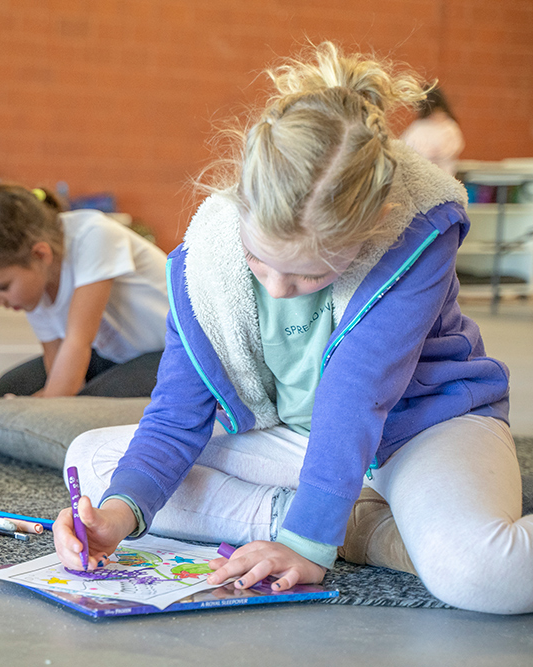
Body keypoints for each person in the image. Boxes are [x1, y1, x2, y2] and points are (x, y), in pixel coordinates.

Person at [52, 43, 533, 615]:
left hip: (424, 431)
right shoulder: (205, 260)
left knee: (483, 576)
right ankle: (362, 527)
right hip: (300, 445)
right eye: (260, 261)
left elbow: (356, 394)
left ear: (373, 227)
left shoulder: (413, 235)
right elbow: (177, 413)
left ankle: (331, 522)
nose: (277, 288)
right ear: (241, 208)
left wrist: (305, 546)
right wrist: (115, 517)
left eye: (310, 274)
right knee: (93, 461)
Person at [0, 184, 169, 398]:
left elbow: (77, 344)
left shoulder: (94, 235)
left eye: (1, 288)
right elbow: (56, 370)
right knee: (12, 386)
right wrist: (12, 408)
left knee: (95, 399)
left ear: (40, 255)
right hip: (121, 356)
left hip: (177, 352)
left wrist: (19, 412)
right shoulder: (36, 279)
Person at [400, 84, 464, 175]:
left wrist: (433, 154)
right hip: (425, 177)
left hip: (442, 177)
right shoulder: (420, 127)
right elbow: (405, 149)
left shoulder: (448, 127)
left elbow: (453, 148)